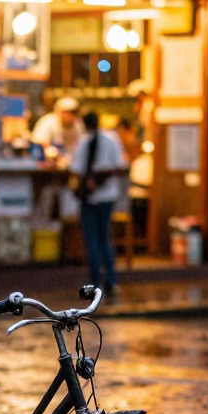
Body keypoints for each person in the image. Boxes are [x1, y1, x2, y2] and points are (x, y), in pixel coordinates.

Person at [70, 113, 128, 296]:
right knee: (104, 239)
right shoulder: (111, 140)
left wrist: (90, 182)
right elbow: (121, 165)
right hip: (107, 197)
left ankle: (96, 284)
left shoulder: (83, 143)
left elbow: (76, 171)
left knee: (92, 241)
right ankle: (110, 280)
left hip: (90, 198)